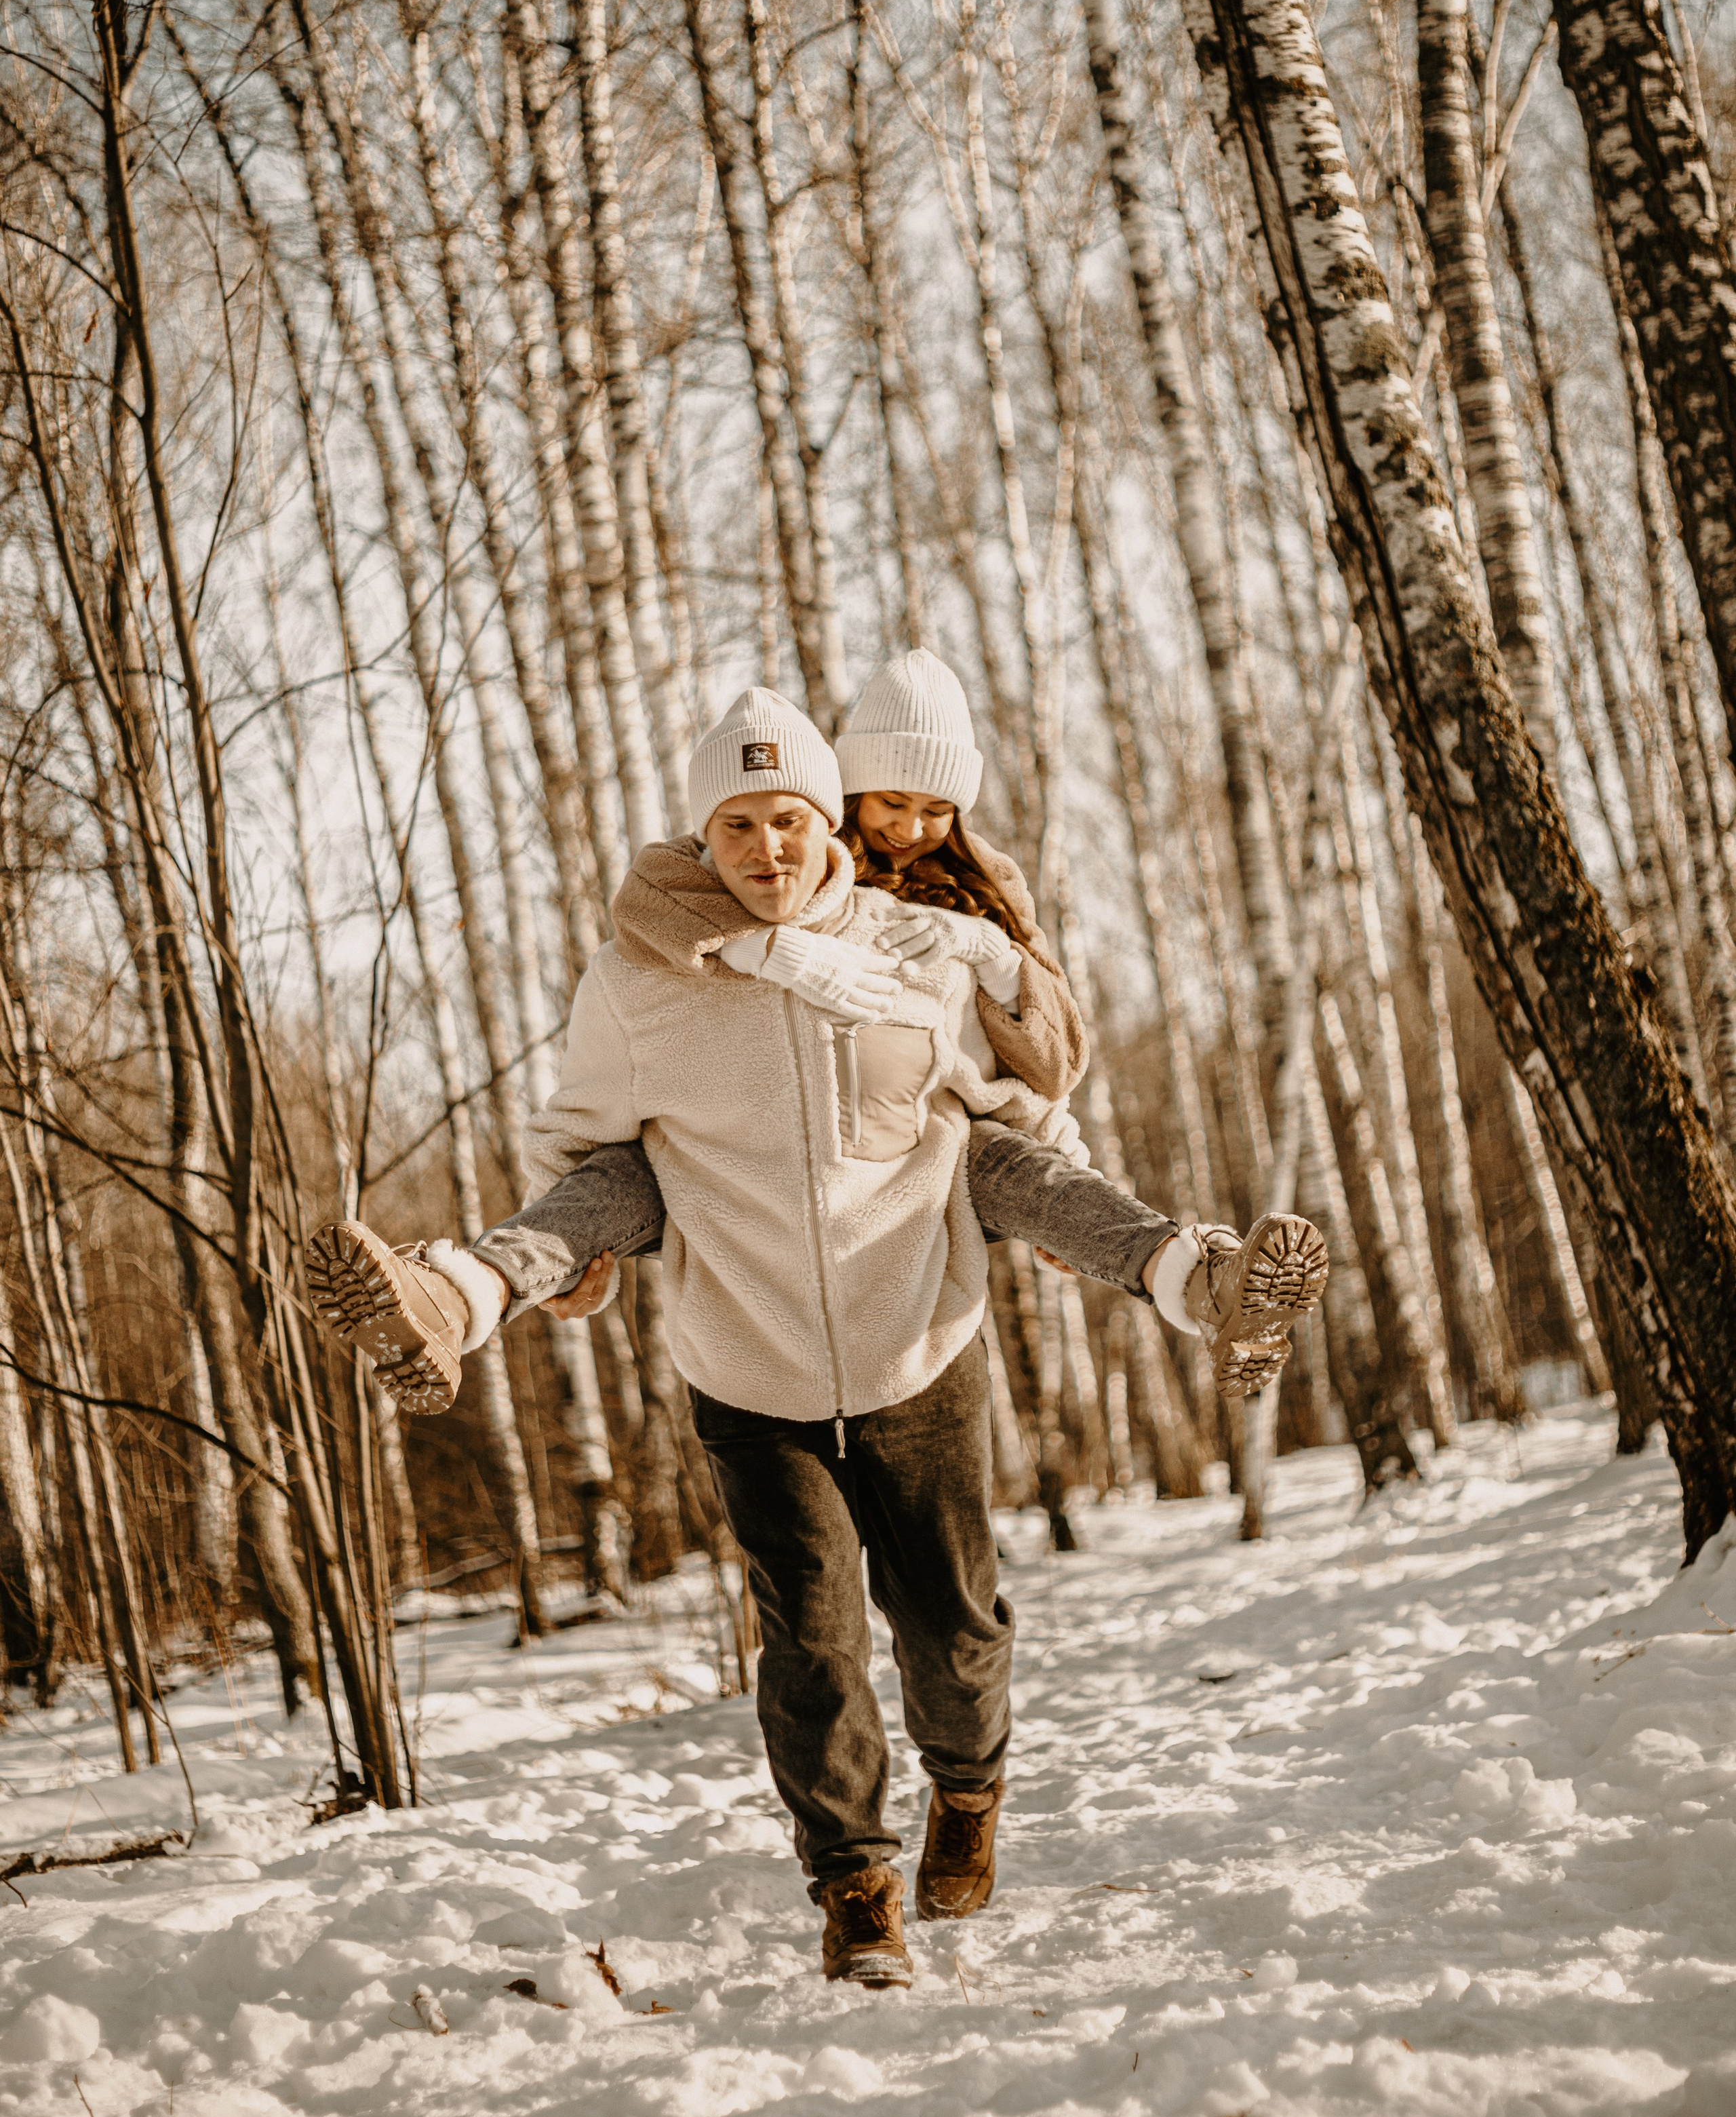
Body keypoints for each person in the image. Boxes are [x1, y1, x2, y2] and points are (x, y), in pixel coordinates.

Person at [309, 683, 1327, 1987]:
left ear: (827, 823)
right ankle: (854, 1893)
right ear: (705, 837)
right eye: (737, 826)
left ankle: (971, 1787)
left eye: (787, 818)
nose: (766, 850)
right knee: (811, 1644)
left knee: (953, 1634)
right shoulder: (638, 981)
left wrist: (1096, 1221)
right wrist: (581, 1271)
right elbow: (585, 1147)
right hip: (749, 1367)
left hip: (917, 1344)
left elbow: (1016, 1112)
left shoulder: (917, 954)